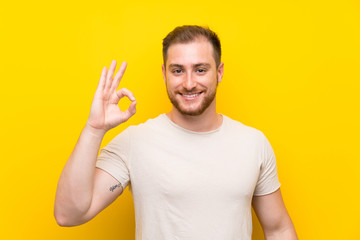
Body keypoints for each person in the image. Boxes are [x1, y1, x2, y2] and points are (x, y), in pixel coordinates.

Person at [54, 25, 298, 240]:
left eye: (200, 70)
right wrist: (94, 129)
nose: (189, 83)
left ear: (220, 72)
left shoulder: (253, 143)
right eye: (178, 70)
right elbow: (68, 214)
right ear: (164, 74)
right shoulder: (135, 143)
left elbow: (279, 230)